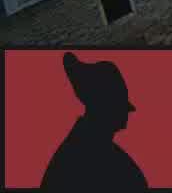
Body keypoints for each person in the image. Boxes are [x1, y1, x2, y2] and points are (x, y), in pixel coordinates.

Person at [40, 52, 149, 189]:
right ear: (105, 107)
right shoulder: (83, 156)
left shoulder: (85, 148)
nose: (126, 114)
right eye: (119, 105)